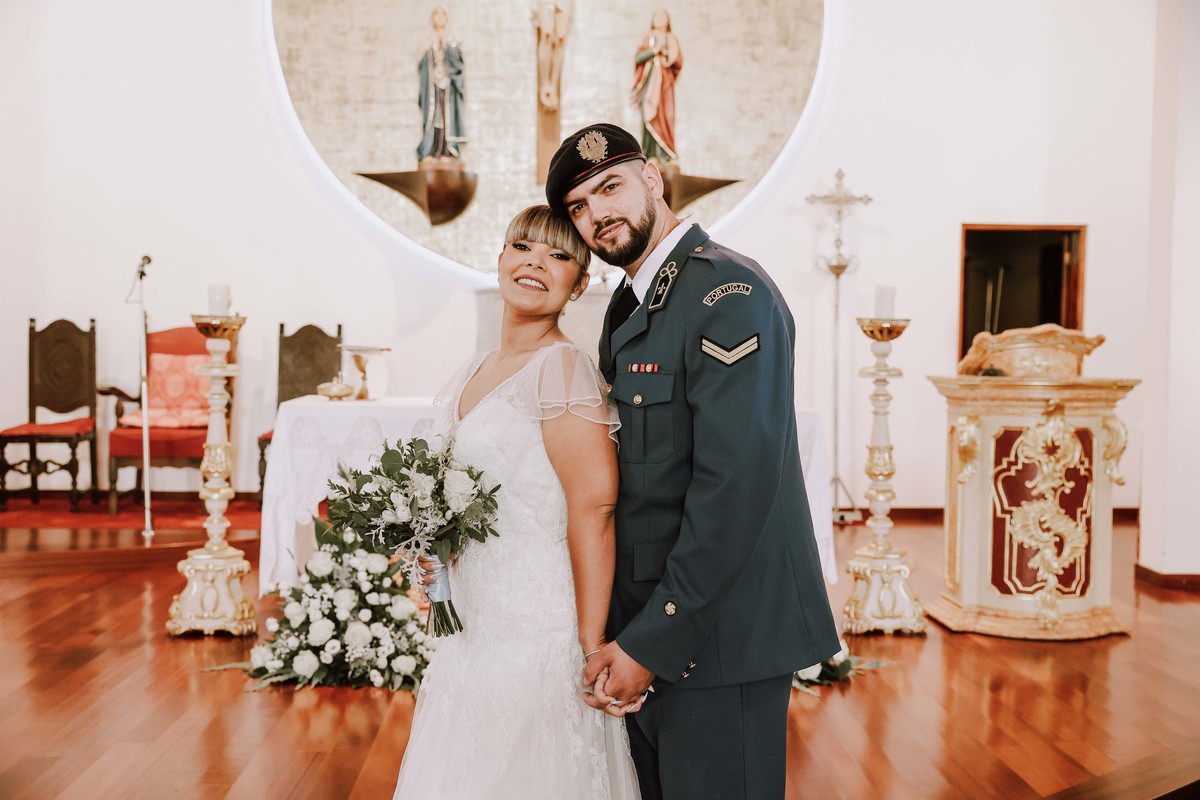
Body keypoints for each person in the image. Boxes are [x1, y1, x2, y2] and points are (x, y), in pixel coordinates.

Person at [546, 123, 841, 800]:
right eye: (579, 207)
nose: (597, 214)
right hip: (651, 625)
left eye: (610, 188)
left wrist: (652, 640)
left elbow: (732, 489)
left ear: (652, 178)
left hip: (719, 635)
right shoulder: (630, 306)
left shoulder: (729, 293)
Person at [392, 206, 641, 799]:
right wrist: (435, 557)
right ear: (500, 258)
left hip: (537, 626)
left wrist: (591, 644)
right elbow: (461, 501)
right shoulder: (476, 368)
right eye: (522, 246)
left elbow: (595, 508)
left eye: (558, 255)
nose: (535, 263)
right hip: (472, 626)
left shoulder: (562, 368)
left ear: (579, 283)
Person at [630, 10, 682, 165]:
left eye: (663, 16)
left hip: (665, 85)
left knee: (666, 116)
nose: (660, 19)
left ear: (668, 20)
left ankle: (667, 155)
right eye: (657, 16)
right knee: (650, 115)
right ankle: (651, 153)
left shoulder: (672, 40)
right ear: (652, 20)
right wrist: (654, 51)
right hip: (651, 84)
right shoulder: (649, 37)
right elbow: (638, 57)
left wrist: (667, 55)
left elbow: (678, 62)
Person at [416, 7, 466, 163]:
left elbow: (457, 64)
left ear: (446, 18)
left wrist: (447, 47)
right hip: (433, 87)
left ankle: (447, 150)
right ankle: (432, 150)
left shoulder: (452, 39)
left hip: (448, 86)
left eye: (441, 15)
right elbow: (422, 63)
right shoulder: (428, 40)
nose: (439, 18)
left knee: (446, 117)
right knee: (433, 117)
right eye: (436, 15)